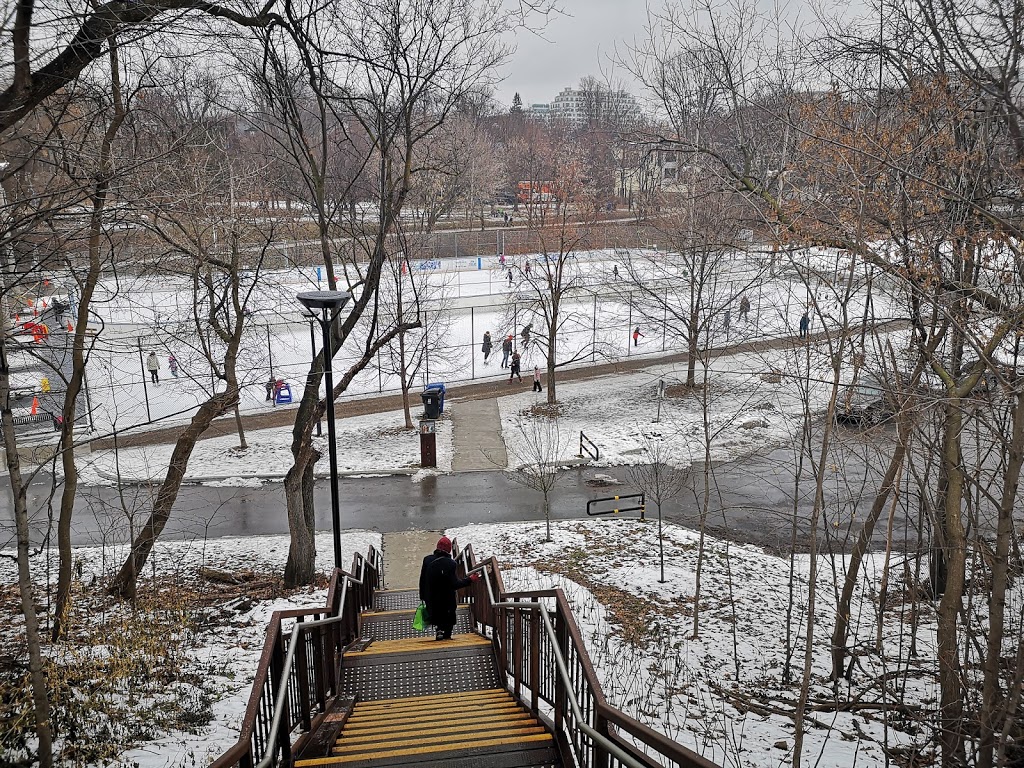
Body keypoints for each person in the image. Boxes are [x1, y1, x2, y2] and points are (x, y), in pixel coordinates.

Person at [419, 536, 478, 641]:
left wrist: (423, 596)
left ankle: (439, 630)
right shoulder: (451, 563)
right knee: (448, 615)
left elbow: (422, 580)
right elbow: (455, 584)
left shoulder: (427, 560)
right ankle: (446, 634)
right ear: (449, 549)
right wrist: (469, 580)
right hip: (447, 599)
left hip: (431, 598)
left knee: (436, 612)